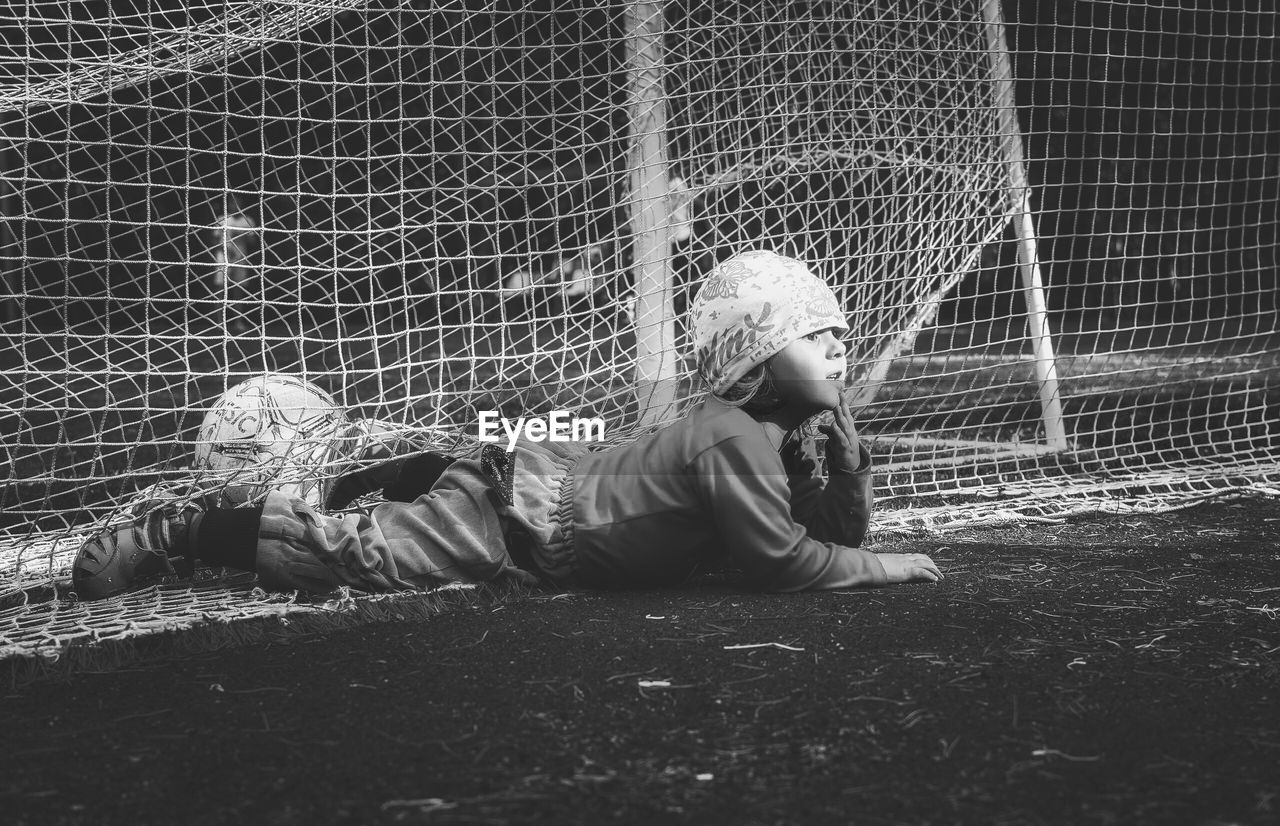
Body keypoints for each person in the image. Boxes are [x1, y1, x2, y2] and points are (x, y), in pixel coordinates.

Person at [71, 249, 941, 599]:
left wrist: (852, 472)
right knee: (358, 556)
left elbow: (818, 532)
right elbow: (782, 563)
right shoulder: (731, 436)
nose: (841, 343)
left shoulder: (770, 435)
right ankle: (174, 531)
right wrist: (888, 566)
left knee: (447, 476)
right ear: (754, 353)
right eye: (815, 332)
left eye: (838, 332)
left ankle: (372, 476)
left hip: (545, 477)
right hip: (519, 519)